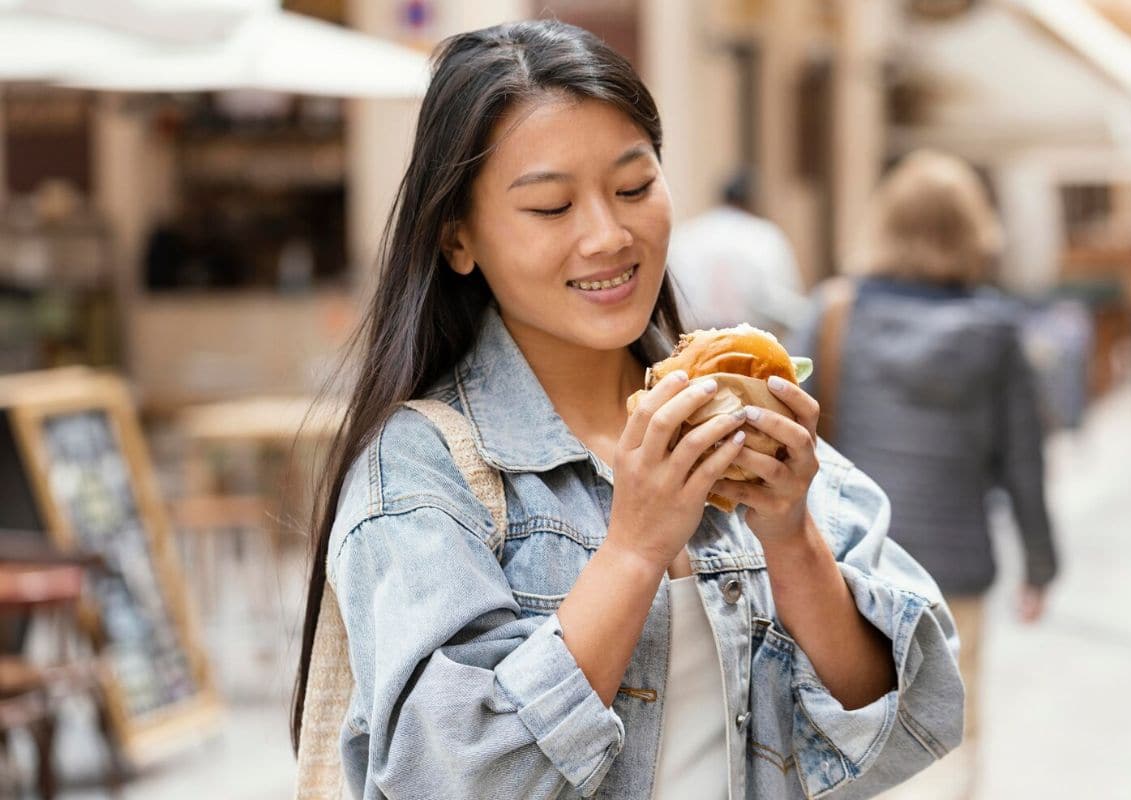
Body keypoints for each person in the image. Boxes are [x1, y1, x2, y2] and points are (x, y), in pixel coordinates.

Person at [291, 22, 963, 800]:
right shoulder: (416, 471)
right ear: (458, 240)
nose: (607, 236)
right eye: (550, 206)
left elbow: (913, 717)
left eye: (634, 188)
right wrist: (636, 550)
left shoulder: (728, 409)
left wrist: (790, 536)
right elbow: (447, 778)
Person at [790, 150, 1059, 800]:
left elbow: (797, 435)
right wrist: (1040, 567)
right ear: (975, 231)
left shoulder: (832, 313)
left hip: (848, 564)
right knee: (948, 739)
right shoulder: (995, 331)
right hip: (953, 570)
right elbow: (1024, 462)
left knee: (847, 732)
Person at [668, 170, 807, 339]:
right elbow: (783, 301)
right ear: (752, 201)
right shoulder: (765, 235)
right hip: (753, 344)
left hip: (697, 340)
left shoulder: (688, 235)